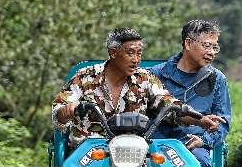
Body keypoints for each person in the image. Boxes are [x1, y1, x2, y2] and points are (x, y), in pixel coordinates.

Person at [51, 27, 224, 149]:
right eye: (130, 53)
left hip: (133, 153)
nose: (136, 59)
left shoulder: (144, 79)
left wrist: (200, 120)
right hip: (88, 152)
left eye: (139, 53)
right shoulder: (85, 76)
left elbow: (170, 105)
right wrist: (65, 111)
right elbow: (59, 109)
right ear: (113, 53)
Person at [149, 20, 232, 167]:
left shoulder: (217, 79)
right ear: (188, 43)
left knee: (200, 162)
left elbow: (223, 123)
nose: (212, 52)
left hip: (194, 145)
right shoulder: (157, 75)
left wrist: (203, 140)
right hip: (156, 142)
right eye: (206, 45)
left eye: (215, 47)